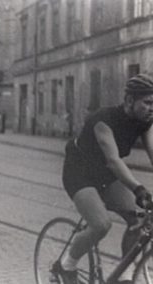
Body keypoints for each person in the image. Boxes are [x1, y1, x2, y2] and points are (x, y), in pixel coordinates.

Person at [59, 74, 153, 284]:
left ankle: (126, 276)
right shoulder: (103, 120)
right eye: (147, 102)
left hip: (106, 176)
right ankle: (66, 265)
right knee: (101, 225)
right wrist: (139, 189)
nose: (152, 108)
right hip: (80, 173)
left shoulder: (144, 122)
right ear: (129, 101)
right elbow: (113, 160)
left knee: (137, 221)